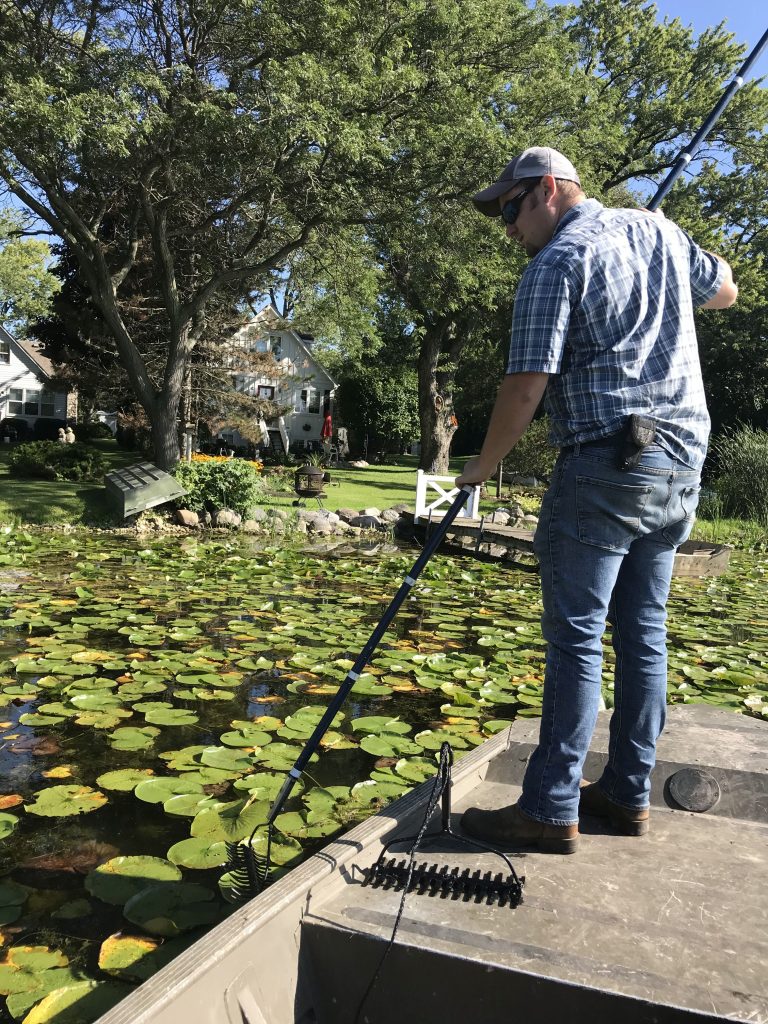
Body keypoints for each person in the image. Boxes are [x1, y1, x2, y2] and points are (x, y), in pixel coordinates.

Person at [456, 146, 737, 854]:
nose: (508, 228)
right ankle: (625, 792)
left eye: (510, 209)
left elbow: (526, 386)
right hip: (679, 464)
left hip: (604, 465)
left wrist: (478, 469)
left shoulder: (554, 266)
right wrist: (671, 235)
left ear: (548, 189)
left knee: (577, 640)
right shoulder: (658, 234)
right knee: (644, 634)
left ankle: (550, 808)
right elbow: (726, 289)